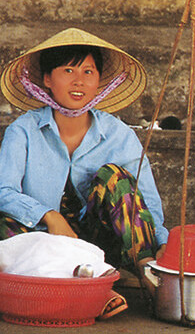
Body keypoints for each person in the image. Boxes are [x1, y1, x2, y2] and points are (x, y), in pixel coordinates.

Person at [0, 28, 169, 319]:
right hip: (44, 244)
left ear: (98, 83)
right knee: (4, 224)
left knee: (115, 176)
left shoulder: (119, 135)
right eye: (68, 70)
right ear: (47, 80)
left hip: (103, 242)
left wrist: (163, 244)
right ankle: (95, 287)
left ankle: (148, 276)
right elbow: (3, 190)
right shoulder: (23, 130)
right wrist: (49, 217)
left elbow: (147, 204)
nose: (79, 81)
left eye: (88, 72)